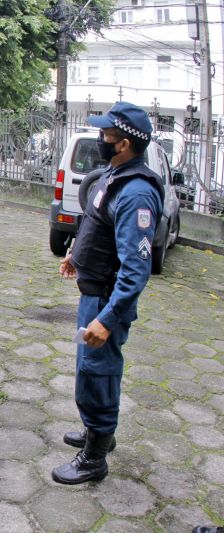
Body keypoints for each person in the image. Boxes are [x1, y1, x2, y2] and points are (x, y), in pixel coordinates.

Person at [53, 101, 164, 485]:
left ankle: (95, 457)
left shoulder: (137, 194)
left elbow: (136, 269)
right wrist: (75, 256)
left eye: (106, 135)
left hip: (106, 301)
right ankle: (95, 430)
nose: (100, 139)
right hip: (93, 290)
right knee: (89, 369)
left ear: (125, 144)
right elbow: (95, 222)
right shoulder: (111, 177)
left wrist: (107, 318)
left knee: (97, 373)